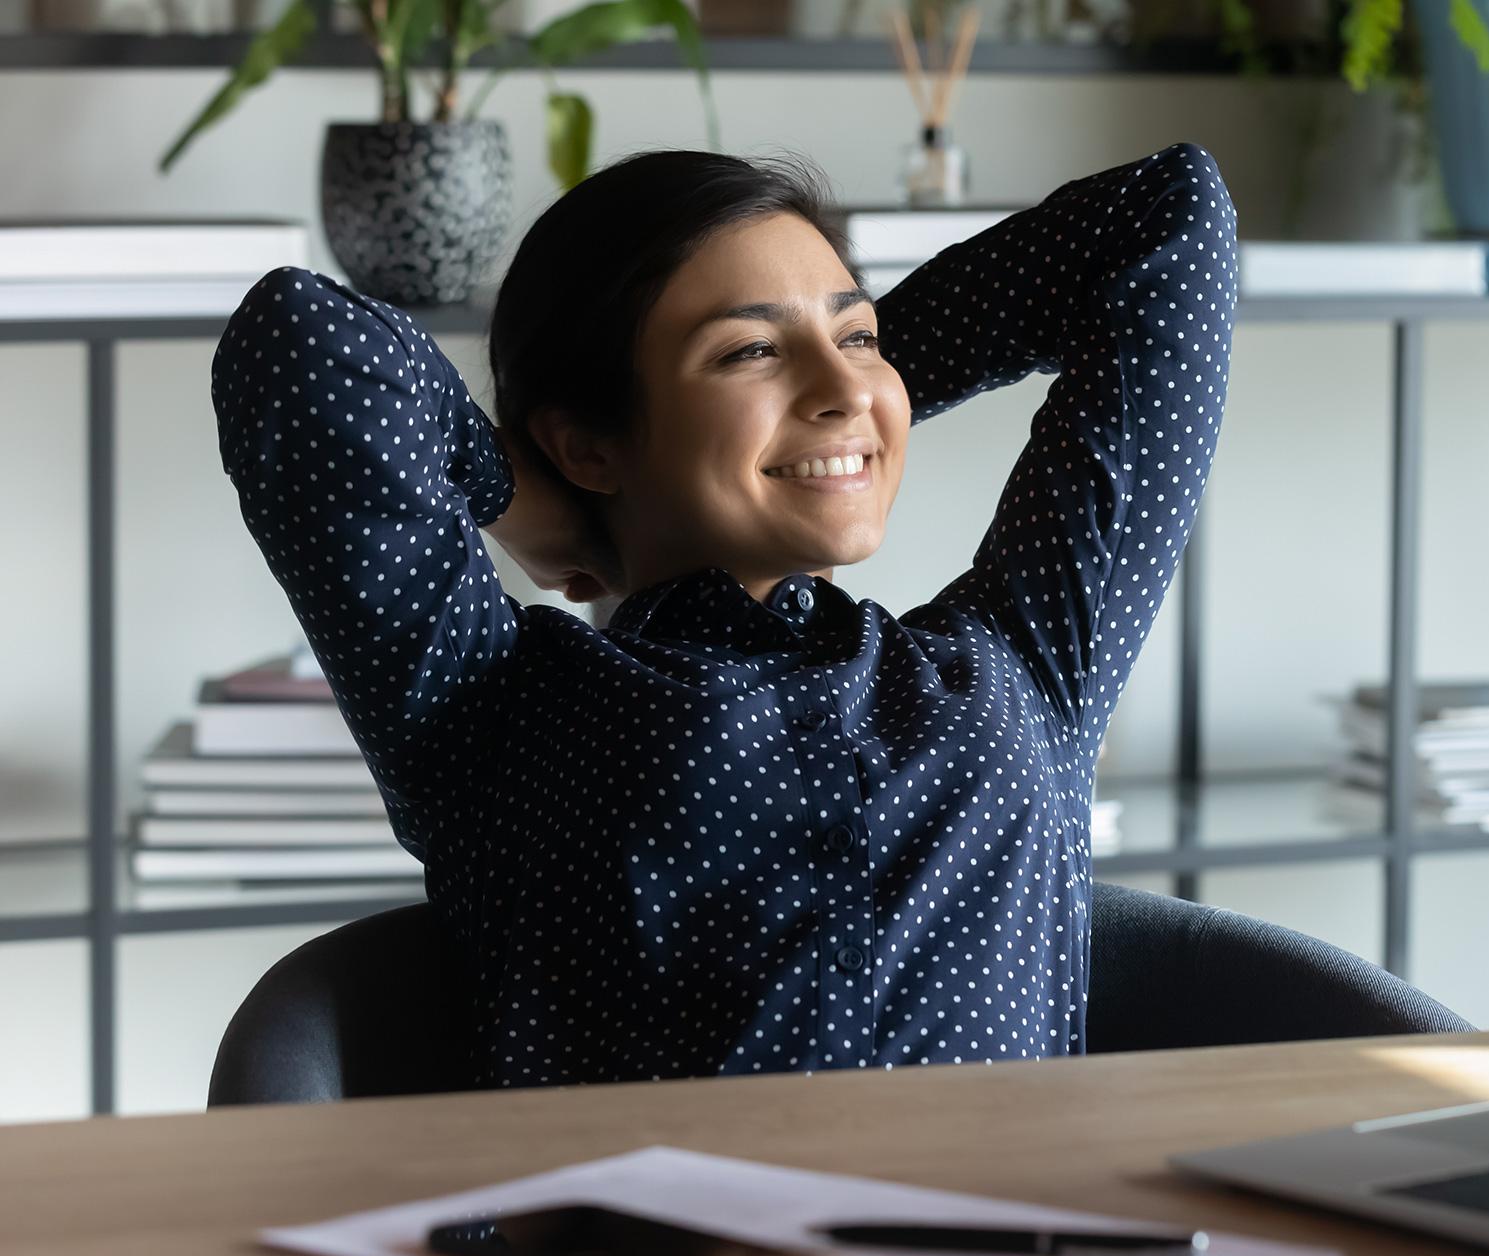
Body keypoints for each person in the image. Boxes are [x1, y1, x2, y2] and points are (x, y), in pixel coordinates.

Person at [209, 141, 1238, 1088]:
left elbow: (1172, 218)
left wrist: (854, 398)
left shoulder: (1027, 658)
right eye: (746, 352)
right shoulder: (488, 710)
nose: (844, 381)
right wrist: (521, 489)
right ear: (586, 444)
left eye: (860, 333)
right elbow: (301, 341)